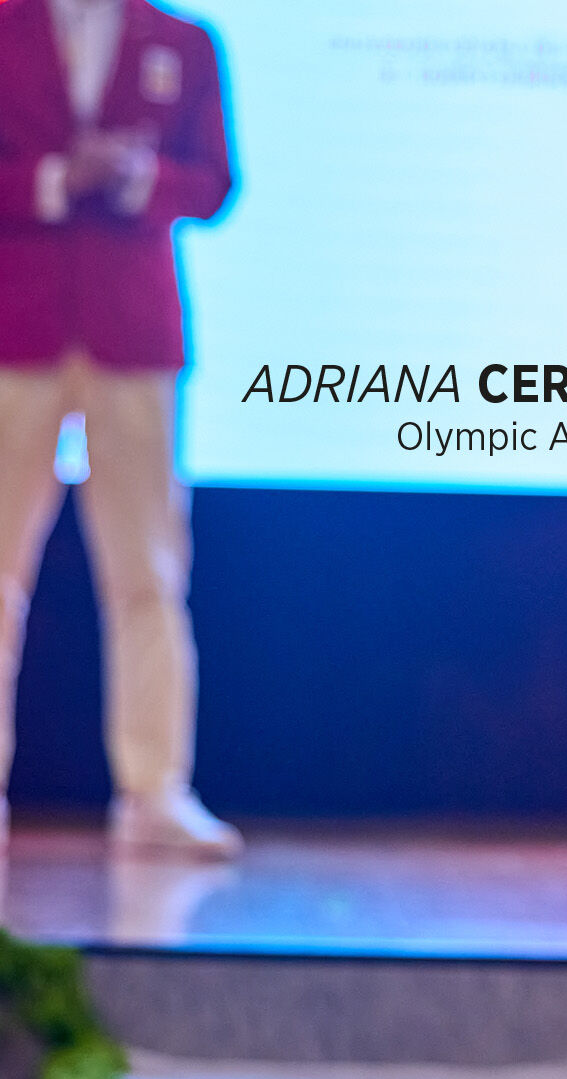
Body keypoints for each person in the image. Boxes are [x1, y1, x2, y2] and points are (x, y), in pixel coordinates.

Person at [0, 0, 240, 857]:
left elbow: (213, 183)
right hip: (17, 328)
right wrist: (60, 178)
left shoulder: (180, 41)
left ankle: (154, 794)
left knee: (147, 570)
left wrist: (135, 179)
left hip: (132, 334)